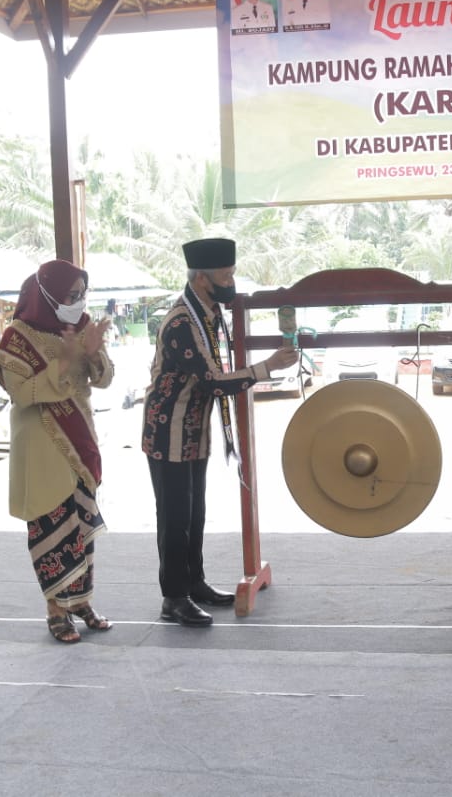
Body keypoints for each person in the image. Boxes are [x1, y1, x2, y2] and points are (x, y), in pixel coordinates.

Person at [142, 238, 296, 626]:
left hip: (194, 430)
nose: (231, 282)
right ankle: (174, 598)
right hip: (169, 431)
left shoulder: (208, 313)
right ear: (201, 278)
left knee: (195, 513)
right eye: (225, 276)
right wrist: (267, 367)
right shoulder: (182, 323)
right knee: (174, 517)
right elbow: (212, 381)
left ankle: (194, 584)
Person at [0, 261, 116, 644]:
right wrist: (64, 359)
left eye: (82, 294)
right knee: (52, 529)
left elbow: (105, 379)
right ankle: (56, 610)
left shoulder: (81, 327)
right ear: (47, 294)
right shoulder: (17, 337)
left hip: (80, 444)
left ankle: (81, 601)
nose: (78, 302)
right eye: (70, 295)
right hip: (41, 447)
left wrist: (93, 353)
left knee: (81, 527)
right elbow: (21, 394)